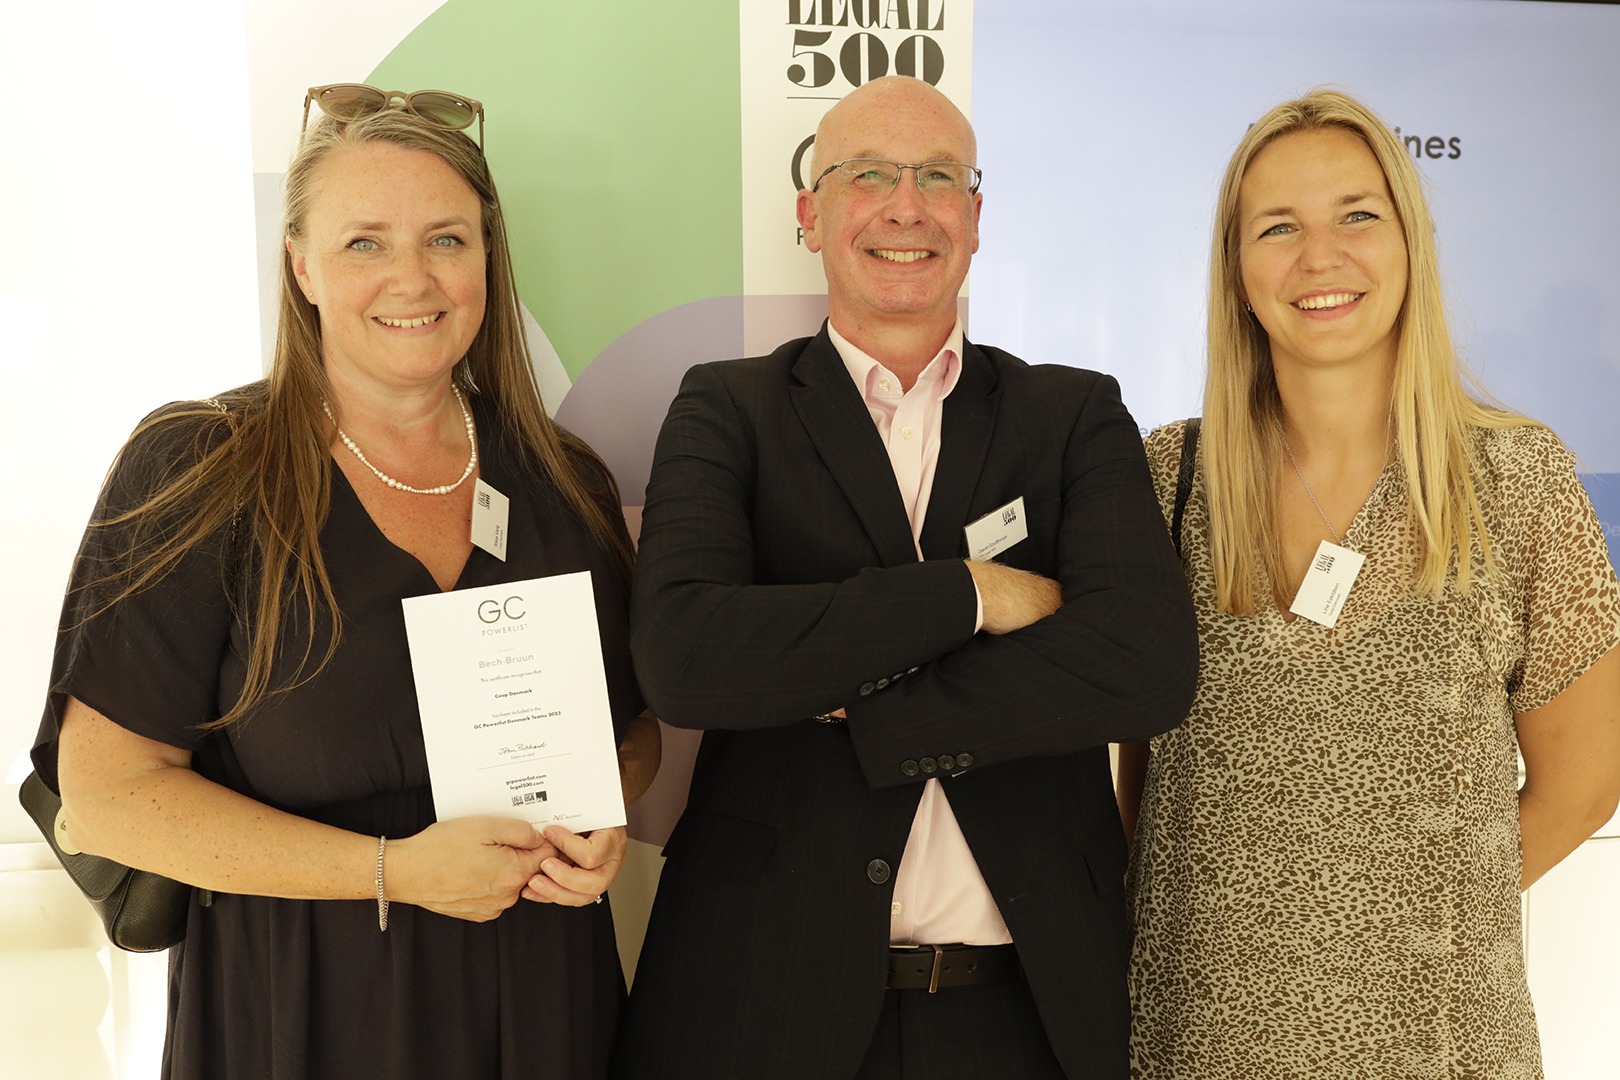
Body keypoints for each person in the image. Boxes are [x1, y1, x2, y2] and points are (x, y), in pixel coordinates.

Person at [34, 85, 659, 1080]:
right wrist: (394, 871)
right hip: (305, 1010)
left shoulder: (561, 480)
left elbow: (630, 734)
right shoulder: (200, 469)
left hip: (546, 998)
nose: (412, 277)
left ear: (486, 259)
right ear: (301, 265)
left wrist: (601, 816)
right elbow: (109, 796)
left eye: (446, 239)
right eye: (365, 242)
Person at [613, 75, 1198, 1080]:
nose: (906, 206)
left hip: (1027, 1016)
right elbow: (687, 658)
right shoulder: (728, 408)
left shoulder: (1071, 416)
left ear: (975, 216)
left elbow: (1143, 666)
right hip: (762, 1001)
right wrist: (971, 594)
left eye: (938, 177)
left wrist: (867, 707)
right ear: (811, 214)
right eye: (869, 175)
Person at [1118, 88, 1620, 1079]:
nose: (1322, 257)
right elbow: (1145, 789)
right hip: (1200, 1038)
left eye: (1356, 215)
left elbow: (1587, 781)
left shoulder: (1520, 480)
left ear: (1409, 243)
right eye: (1278, 227)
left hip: (1441, 1044)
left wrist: (1404, 925)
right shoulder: (1166, 480)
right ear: (1237, 271)